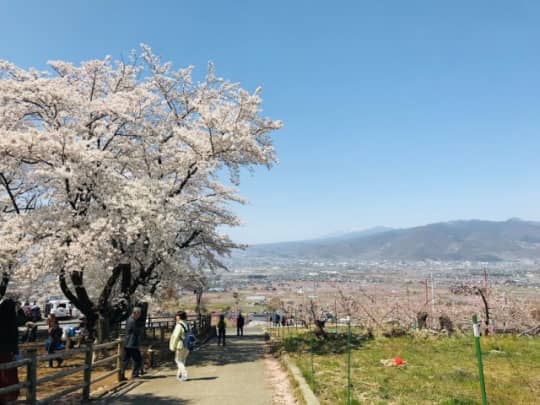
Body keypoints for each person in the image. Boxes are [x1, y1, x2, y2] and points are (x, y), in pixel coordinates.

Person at [0, 298, 20, 404]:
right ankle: (9, 396)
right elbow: (14, 337)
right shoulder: (12, 320)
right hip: (8, 352)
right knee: (8, 374)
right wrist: (15, 351)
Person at [120, 307, 143, 380]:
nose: (139, 315)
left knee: (125, 360)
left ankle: (121, 375)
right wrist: (140, 330)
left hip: (127, 342)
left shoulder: (129, 319)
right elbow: (136, 331)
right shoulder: (132, 321)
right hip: (132, 343)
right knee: (138, 359)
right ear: (135, 313)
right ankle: (134, 374)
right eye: (139, 314)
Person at [169, 311, 190, 381]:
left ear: (179, 317)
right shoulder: (187, 324)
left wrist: (172, 346)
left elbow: (175, 336)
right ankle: (179, 375)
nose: (176, 317)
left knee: (178, 360)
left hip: (180, 345)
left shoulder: (179, 325)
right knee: (182, 361)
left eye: (177, 316)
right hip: (187, 345)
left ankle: (184, 374)